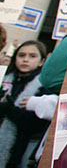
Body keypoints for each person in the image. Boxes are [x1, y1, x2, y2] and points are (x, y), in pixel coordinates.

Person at [0, 40, 52, 168]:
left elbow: (36, 124)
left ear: (42, 61)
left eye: (32, 56)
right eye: (21, 55)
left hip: (21, 150)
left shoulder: (45, 86)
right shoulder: (3, 78)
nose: (25, 60)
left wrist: (10, 110)